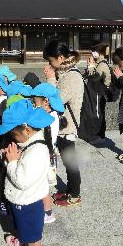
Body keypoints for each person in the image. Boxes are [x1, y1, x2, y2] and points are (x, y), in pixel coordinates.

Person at [0, 99, 54, 246]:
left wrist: (12, 161)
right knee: (26, 237)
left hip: (28, 204)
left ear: (27, 130)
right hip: (21, 202)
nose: (13, 138)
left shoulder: (37, 152)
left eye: (14, 134)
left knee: (34, 241)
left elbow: (22, 180)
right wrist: (8, 157)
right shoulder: (28, 143)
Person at [43, 40, 83, 207]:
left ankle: (74, 195)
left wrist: (51, 79)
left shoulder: (72, 75)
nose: (50, 64)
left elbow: (57, 100)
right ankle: (69, 190)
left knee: (70, 162)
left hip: (68, 127)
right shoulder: (65, 72)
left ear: (60, 57)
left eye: (51, 60)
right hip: (63, 125)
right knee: (67, 161)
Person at [32, 83, 65, 223]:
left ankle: (47, 212)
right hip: (47, 155)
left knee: (42, 187)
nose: (34, 105)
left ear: (46, 101)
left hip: (44, 156)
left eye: (35, 102)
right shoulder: (53, 114)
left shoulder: (49, 118)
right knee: (41, 185)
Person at [86, 42, 112, 144]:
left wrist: (91, 66)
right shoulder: (99, 63)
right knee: (97, 112)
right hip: (96, 92)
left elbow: (95, 78)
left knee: (98, 114)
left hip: (99, 93)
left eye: (94, 51)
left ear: (100, 52)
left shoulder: (102, 65)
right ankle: (97, 135)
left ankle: (99, 136)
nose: (93, 53)